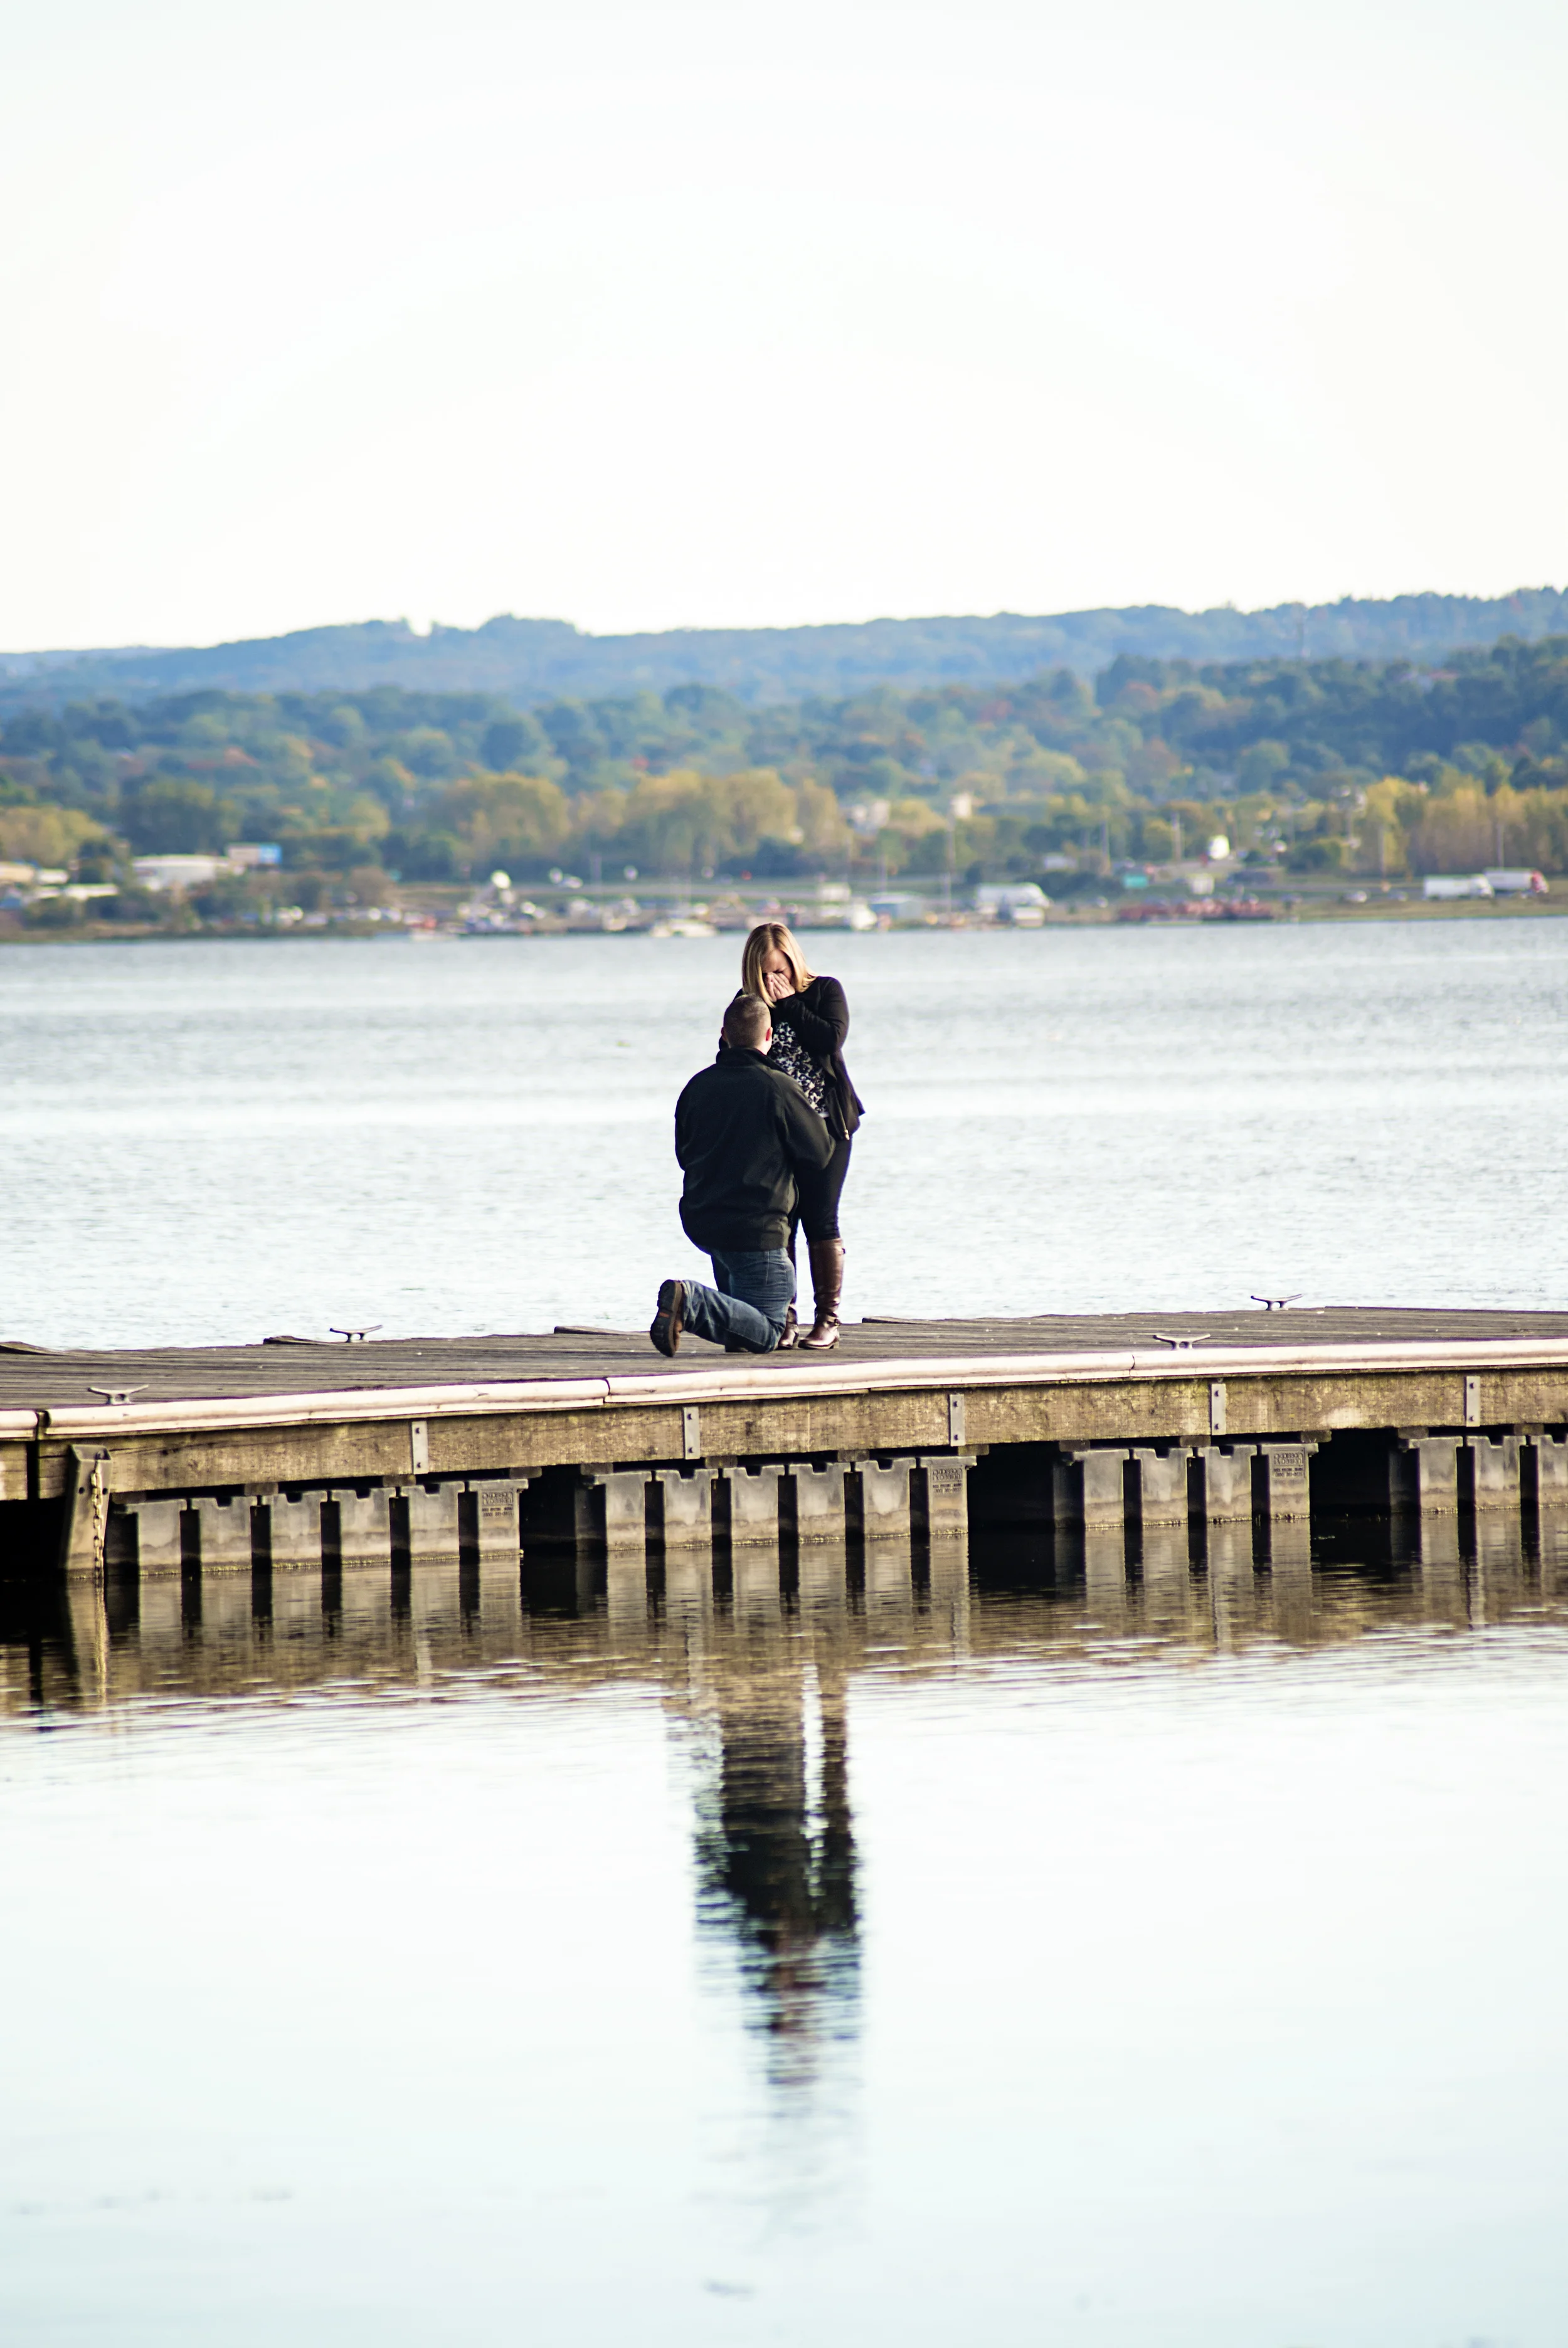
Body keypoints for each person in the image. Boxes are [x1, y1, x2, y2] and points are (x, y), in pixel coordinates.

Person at [652, 992, 834, 1357]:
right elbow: (820, 1153)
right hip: (758, 1229)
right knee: (769, 1330)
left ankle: (693, 1307)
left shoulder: (697, 1086)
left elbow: (684, 1153)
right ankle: (690, 1301)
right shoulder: (778, 1086)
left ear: (724, 1034)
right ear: (769, 1037)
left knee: (741, 1332)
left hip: (706, 1222)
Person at [738, 921, 863, 1351]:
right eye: (768, 974)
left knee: (821, 1218)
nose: (776, 981)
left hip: (829, 1125)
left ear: (795, 962)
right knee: (780, 1222)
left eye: (783, 970)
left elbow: (830, 1039)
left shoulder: (824, 991)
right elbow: (736, 1055)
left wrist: (790, 1003)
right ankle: (783, 1317)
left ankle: (827, 1319)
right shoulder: (749, 1005)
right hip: (776, 1133)